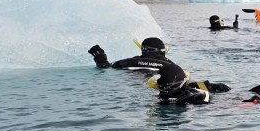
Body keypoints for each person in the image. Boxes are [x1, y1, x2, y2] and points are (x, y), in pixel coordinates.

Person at [87, 37, 230, 105]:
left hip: (130, 81)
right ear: (162, 51)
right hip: (154, 85)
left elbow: (104, 67)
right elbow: (180, 81)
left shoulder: (126, 61)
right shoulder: (168, 64)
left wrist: (101, 58)